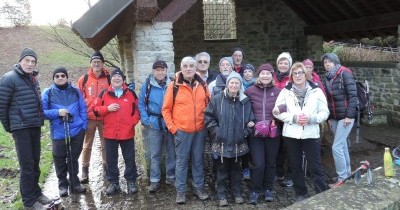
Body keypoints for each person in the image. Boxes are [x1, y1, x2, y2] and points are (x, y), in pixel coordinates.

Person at [0, 48, 52, 209]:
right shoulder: (9, 78)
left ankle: (36, 192)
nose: (30, 64)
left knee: (35, 162)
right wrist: (10, 127)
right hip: (20, 128)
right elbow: (2, 105)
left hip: (34, 125)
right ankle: (29, 202)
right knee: (27, 165)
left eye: (33, 61)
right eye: (27, 60)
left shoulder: (33, 79)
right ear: (20, 61)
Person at [273, 62, 330, 202]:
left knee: (315, 165)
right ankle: (301, 192)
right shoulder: (286, 91)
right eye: (295, 73)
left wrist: (312, 118)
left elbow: (325, 112)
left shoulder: (316, 91)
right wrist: (293, 118)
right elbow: (277, 111)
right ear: (291, 75)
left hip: (311, 133)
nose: (298, 76)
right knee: (295, 165)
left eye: (301, 73)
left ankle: (322, 192)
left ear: (306, 74)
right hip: (291, 134)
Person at [162, 56, 210, 204]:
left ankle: (199, 188)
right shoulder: (174, 86)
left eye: (191, 66)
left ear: (196, 68)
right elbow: (165, 110)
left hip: (200, 131)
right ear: (181, 68)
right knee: (182, 162)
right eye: (185, 66)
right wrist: (173, 129)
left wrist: (206, 123)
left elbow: (209, 104)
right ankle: (181, 191)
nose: (188, 69)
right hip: (182, 131)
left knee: (198, 161)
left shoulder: (202, 84)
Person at [204, 72, 254, 207]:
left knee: (237, 171)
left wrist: (244, 133)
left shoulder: (245, 101)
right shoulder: (217, 99)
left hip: (238, 143)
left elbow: (251, 120)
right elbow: (208, 118)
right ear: (227, 84)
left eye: (236, 83)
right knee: (221, 172)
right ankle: (221, 195)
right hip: (221, 142)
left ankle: (237, 193)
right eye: (231, 82)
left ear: (240, 85)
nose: (234, 85)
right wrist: (217, 132)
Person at [93, 68, 140, 195]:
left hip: (127, 132)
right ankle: (114, 183)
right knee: (111, 160)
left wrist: (132, 122)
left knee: (129, 158)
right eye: (114, 77)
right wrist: (107, 108)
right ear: (111, 79)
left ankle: (131, 181)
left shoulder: (131, 93)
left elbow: (137, 111)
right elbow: (95, 109)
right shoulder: (104, 93)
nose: (117, 79)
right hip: (110, 133)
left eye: (119, 77)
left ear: (123, 79)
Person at [42, 67, 88, 197]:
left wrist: (83, 126)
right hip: (58, 132)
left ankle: (75, 183)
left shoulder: (75, 91)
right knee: (59, 158)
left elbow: (83, 108)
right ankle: (62, 184)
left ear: (67, 77)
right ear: (54, 78)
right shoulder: (48, 93)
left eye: (63, 75)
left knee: (73, 158)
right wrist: (57, 112)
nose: (60, 78)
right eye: (57, 76)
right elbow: (42, 112)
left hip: (76, 130)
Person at [244, 63, 281, 204]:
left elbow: (284, 108)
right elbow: (244, 110)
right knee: (258, 164)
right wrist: (249, 121)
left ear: (272, 76)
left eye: (268, 73)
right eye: (262, 73)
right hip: (255, 134)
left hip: (273, 133)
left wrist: (278, 115)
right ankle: (255, 189)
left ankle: (268, 188)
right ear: (258, 75)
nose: (265, 76)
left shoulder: (278, 91)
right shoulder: (250, 91)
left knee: (271, 163)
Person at [138, 60, 176, 193]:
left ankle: (171, 177)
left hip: (170, 123)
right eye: (157, 70)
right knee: (154, 154)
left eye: (162, 70)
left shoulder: (173, 83)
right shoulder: (147, 84)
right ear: (153, 71)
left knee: (172, 151)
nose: (160, 72)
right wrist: (145, 120)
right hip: (153, 123)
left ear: (166, 70)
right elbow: (141, 104)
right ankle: (154, 180)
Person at [322, 53, 357, 188]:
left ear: (335, 62)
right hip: (335, 118)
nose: (327, 64)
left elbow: (353, 96)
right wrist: (330, 118)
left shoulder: (344, 73)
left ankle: (342, 179)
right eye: (325, 62)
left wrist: (349, 115)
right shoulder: (328, 77)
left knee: (336, 147)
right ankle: (347, 174)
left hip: (346, 117)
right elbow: (329, 101)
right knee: (341, 146)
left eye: (330, 61)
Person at [77, 51, 110, 183]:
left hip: (104, 117)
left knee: (105, 145)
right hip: (89, 117)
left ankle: (106, 169)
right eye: (94, 62)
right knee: (87, 146)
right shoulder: (84, 79)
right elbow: (78, 98)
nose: (96, 64)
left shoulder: (108, 78)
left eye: (99, 62)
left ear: (102, 63)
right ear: (90, 63)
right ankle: (84, 171)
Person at [273, 52, 294, 187]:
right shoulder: (272, 77)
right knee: (277, 147)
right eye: (280, 62)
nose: (283, 65)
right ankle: (278, 172)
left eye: (286, 63)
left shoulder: (293, 78)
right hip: (275, 119)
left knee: (290, 149)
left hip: (289, 119)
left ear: (290, 65)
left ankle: (289, 175)